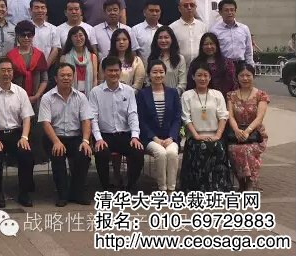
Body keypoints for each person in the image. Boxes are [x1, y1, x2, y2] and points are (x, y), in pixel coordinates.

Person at [0, 57, 35, 208]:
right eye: (3, 70)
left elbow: (27, 117)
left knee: (26, 155)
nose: (6, 73)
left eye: (9, 70)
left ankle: (24, 193)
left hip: (16, 134)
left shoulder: (20, 92)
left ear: (13, 73)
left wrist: (24, 137)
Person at [38, 62, 93, 206]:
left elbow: (86, 120)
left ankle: (77, 193)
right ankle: (62, 195)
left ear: (73, 77)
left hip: (75, 137)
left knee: (84, 154)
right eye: (62, 75)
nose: (66, 78)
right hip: (54, 137)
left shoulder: (81, 97)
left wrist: (85, 141)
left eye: (69, 75)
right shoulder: (47, 97)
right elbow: (45, 123)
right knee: (58, 155)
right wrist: (56, 141)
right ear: (56, 78)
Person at [88, 56, 144, 192]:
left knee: (138, 152)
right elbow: (93, 118)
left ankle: (130, 186)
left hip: (124, 134)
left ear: (120, 71)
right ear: (104, 72)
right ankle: (106, 187)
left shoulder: (128, 91)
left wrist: (135, 136)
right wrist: (98, 139)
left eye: (116, 70)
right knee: (101, 153)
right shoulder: (95, 92)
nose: (113, 73)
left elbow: (133, 114)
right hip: (105, 135)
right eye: (110, 70)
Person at [180, 63, 231, 192]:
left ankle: (217, 189)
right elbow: (186, 118)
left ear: (210, 77)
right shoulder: (187, 95)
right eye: (199, 75)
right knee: (200, 148)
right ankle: (196, 189)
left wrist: (218, 135)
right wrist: (196, 135)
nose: (202, 78)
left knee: (217, 147)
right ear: (193, 77)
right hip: (195, 136)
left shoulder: (217, 94)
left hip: (215, 135)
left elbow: (223, 116)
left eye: (205, 75)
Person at [136, 60, 182, 192]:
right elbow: (141, 119)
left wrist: (172, 137)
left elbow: (177, 118)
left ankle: (171, 189)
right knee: (161, 153)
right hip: (150, 138)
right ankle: (162, 188)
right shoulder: (142, 94)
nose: (158, 75)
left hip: (170, 137)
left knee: (172, 153)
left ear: (165, 74)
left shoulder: (173, 93)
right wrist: (154, 138)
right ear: (149, 74)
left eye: (161, 72)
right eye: (154, 72)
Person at [226, 63, 269, 192]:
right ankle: (241, 183)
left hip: (256, 134)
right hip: (236, 133)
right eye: (242, 75)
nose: (245, 78)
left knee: (247, 150)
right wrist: (236, 130)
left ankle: (250, 182)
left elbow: (259, 117)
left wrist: (247, 131)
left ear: (253, 76)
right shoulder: (231, 95)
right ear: (237, 77)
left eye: (248, 75)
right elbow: (230, 116)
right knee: (232, 149)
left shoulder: (261, 95)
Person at [7, 20, 48, 105]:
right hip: (15, 99)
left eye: (29, 35)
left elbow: (44, 79)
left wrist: (37, 96)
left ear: (33, 36)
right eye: (23, 35)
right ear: (17, 36)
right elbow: (7, 79)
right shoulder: (10, 56)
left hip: (36, 99)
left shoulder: (39, 55)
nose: (26, 38)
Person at [187, 32, 237, 97]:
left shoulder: (227, 63)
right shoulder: (195, 63)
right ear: (201, 46)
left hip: (223, 98)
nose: (209, 46)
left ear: (217, 45)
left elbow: (233, 84)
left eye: (211, 44)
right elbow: (190, 84)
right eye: (206, 44)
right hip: (200, 98)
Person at [211, 0, 254, 66]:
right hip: (223, 65)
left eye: (232, 10)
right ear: (220, 12)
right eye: (226, 10)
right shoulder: (214, 30)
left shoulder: (244, 29)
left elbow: (248, 51)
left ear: (235, 11)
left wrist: (251, 66)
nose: (230, 13)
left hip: (241, 65)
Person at [148, 26, 187, 95]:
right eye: (160, 38)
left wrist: (171, 96)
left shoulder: (180, 59)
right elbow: (147, 81)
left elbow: (182, 84)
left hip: (174, 97)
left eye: (166, 37)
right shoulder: (152, 58)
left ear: (172, 39)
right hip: (154, 96)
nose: (163, 41)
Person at [60, 26, 98, 96]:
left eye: (80, 35)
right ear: (70, 39)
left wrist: (93, 95)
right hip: (70, 94)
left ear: (85, 37)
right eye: (75, 36)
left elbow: (95, 79)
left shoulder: (93, 57)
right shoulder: (64, 58)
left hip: (89, 94)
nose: (78, 38)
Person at [169, 0, 207, 65]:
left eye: (192, 5)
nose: (189, 8)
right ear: (179, 9)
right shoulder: (172, 28)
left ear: (195, 7)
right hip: (179, 66)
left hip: (200, 66)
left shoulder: (203, 27)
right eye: (185, 6)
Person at [30, 0, 61, 69]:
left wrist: (45, 66)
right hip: (28, 68)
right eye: (37, 8)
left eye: (43, 8)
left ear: (46, 10)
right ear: (30, 10)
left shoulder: (54, 29)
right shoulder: (25, 27)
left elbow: (55, 49)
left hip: (48, 67)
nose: (40, 10)